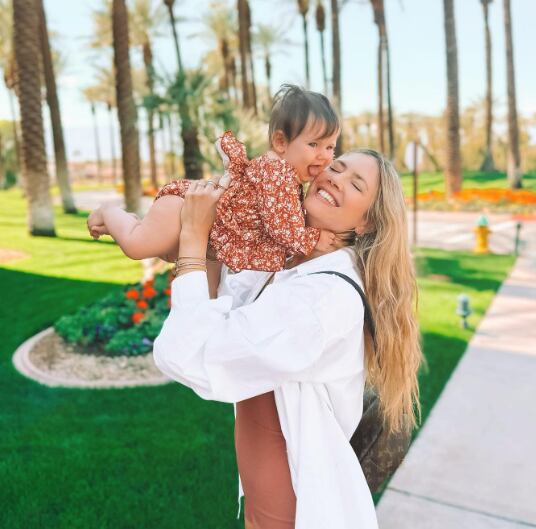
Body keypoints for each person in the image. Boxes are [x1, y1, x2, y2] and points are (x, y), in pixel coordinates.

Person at [152, 149, 424, 529]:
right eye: (336, 167)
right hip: (264, 494)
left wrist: (193, 239)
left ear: (366, 223)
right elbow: (220, 305)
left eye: (355, 183)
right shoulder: (293, 262)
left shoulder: (321, 299)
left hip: (292, 505)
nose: (335, 178)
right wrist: (213, 233)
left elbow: (190, 356)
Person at [86, 85, 339, 272]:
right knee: (137, 246)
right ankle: (109, 211)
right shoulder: (277, 173)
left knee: (168, 256)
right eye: (314, 144)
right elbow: (281, 227)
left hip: (202, 231)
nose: (324, 155)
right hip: (182, 211)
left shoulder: (286, 175)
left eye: (330, 147)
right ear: (281, 142)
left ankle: (128, 222)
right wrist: (313, 237)